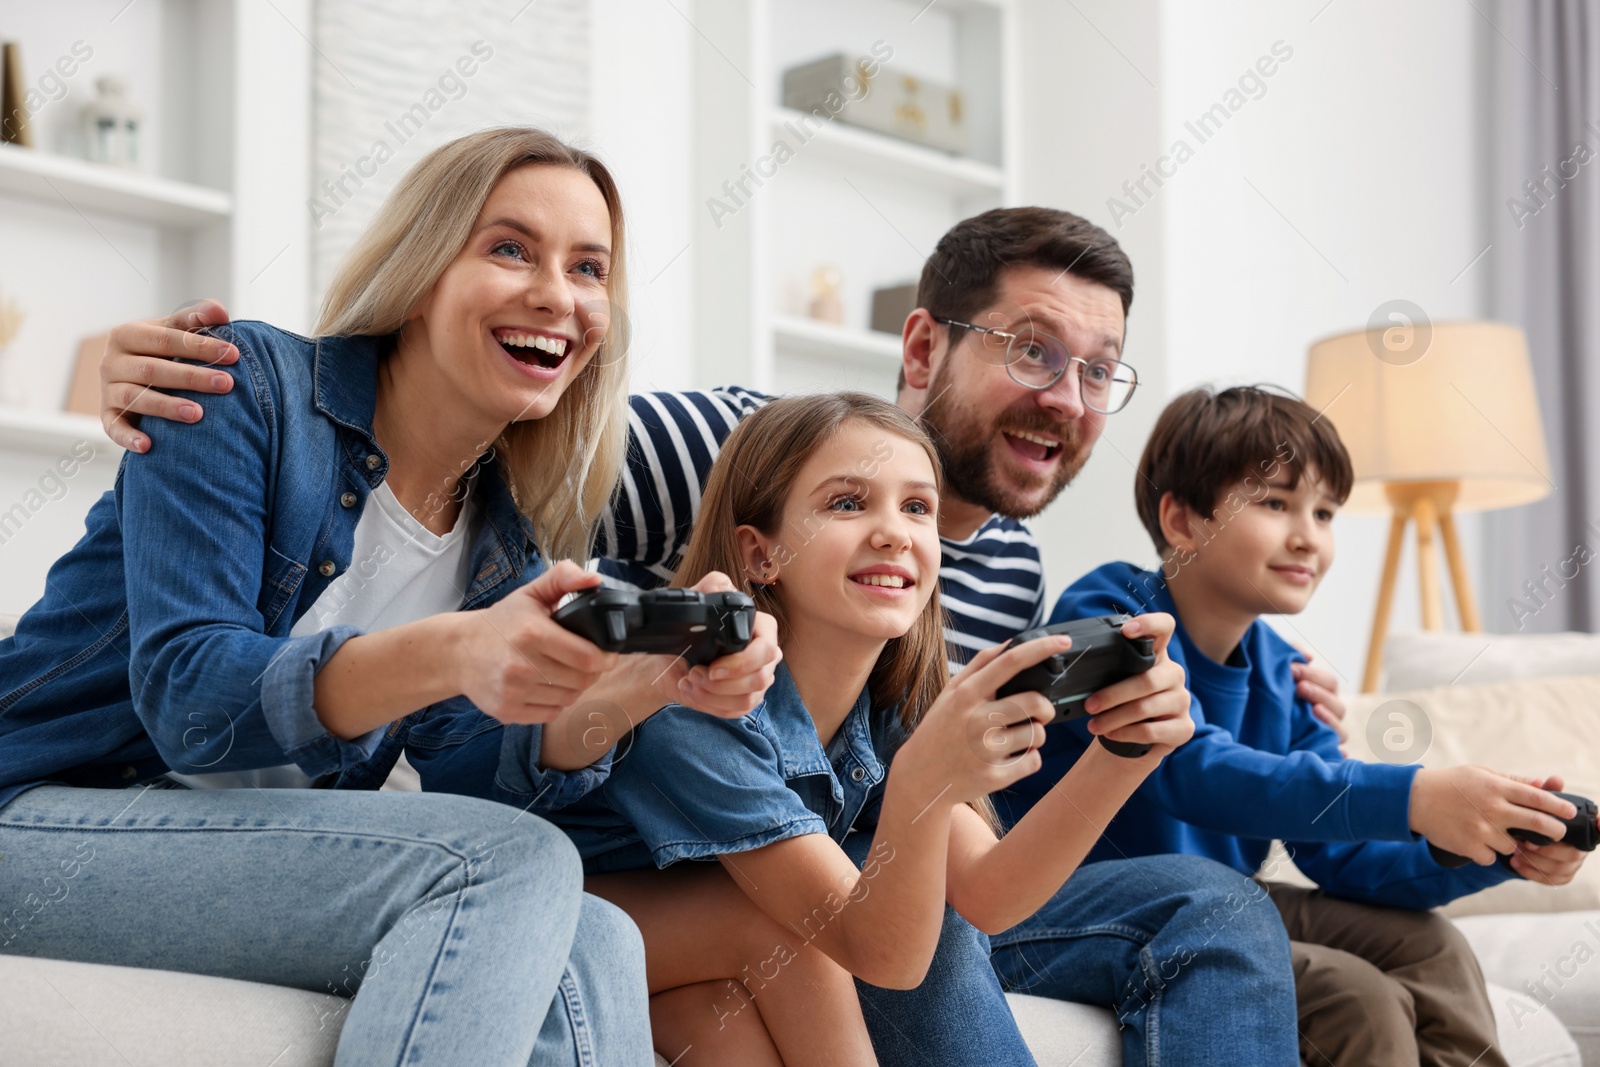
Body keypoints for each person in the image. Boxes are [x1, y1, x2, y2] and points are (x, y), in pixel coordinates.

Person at [97, 206, 1307, 1064]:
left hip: (757, 891)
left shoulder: (947, 625)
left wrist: (1113, 753)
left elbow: (977, 891)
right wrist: (178, 372)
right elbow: (515, 427)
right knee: (819, 940)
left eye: (1099, 371)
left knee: (769, 998)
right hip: (648, 869)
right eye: (1034, 351)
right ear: (929, 345)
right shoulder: (699, 583)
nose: (1066, 393)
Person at [0, 127, 780, 1067]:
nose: (556, 296)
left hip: (221, 846)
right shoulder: (241, 386)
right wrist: (455, 649)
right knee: (513, 863)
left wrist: (647, 684)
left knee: (599, 935)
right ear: (420, 274)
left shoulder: (503, 546)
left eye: (588, 269)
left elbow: (467, 776)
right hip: (43, 807)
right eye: (509, 248)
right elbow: (191, 701)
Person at [513, 391, 1195, 1067]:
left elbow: (989, 895)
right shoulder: (697, 698)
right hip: (560, 921)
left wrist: (1126, 753)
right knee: (788, 934)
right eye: (847, 502)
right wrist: (923, 780)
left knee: (726, 1021)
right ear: (760, 554)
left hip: (691, 945)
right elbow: (880, 954)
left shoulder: (887, 705)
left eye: (918, 507)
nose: (895, 531)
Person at [1001, 385, 1599, 1067]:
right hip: (1066, 902)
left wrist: (1486, 845)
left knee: (1432, 944)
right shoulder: (1116, 614)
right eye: (1276, 502)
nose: (1307, 535)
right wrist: (1416, 795)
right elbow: (1190, 771)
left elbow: (1341, 858)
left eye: (1324, 511)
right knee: (1352, 995)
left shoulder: (1287, 676)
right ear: (1182, 520)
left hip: (1218, 903)